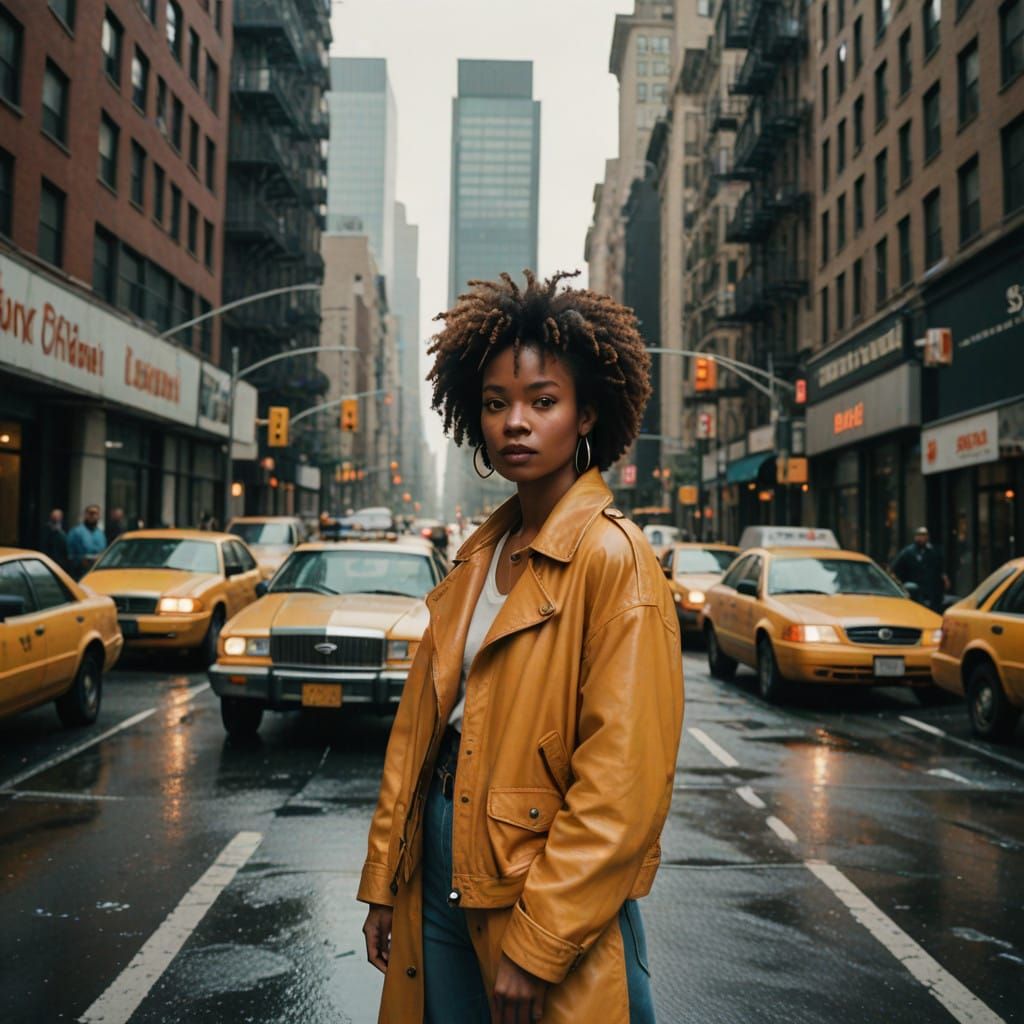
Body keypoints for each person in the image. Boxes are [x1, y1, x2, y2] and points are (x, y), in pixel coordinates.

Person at [360, 271, 684, 1024]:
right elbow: (417, 734)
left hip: (536, 879)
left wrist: (541, 942)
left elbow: (622, 786)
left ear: (585, 413)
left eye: (542, 401)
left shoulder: (614, 558)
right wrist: (385, 880)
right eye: (495, 403)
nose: (515, 423)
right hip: (437, 860)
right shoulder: (478, 557)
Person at [892, 526, 949, 612]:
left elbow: (939, 568)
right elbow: (896, 568)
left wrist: (944, 578)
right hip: (915, 589)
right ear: (915, 537)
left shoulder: (933, 551)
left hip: (931, 589)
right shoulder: (908, 552)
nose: (922, 538)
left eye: (924, 535)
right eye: (920, 535)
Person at [66, 504, 108, 579]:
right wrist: (80, 561)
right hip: (80, 573)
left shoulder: (101, 534)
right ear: (85, 515)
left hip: (97, 572)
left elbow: (104, 551)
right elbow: (70, 554)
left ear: (99, 516)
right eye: (91, 513)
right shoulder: (76, 532)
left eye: (96, 514)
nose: (93, 516)